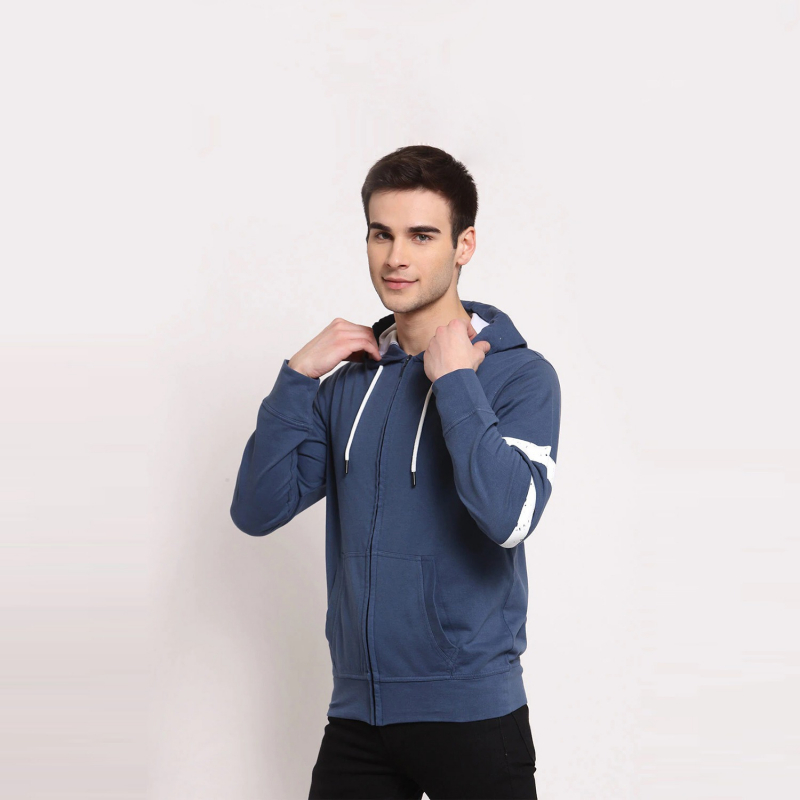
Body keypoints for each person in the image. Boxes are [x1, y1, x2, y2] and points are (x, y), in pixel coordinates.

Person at [230, 145, 560, 799]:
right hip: (359, 718)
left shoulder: (519, 376)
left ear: (464, 245)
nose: (396, 257)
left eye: (421, 235)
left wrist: (457, 384)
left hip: (472, 713)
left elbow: (510, 517)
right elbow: (257, 509)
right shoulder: (348, 385)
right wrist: (297, 378)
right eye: (381, 234)